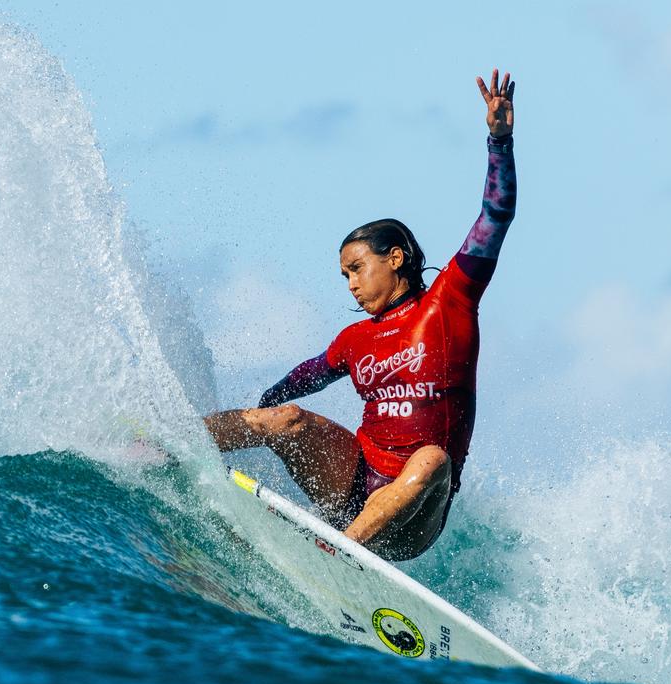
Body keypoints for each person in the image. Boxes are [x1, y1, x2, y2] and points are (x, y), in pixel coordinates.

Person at [205, 68, 517, 561]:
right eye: (343, 274)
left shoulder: (450, 302)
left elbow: (495, 218)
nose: (350, 282)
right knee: (285, 419)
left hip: (412, 516)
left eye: (356, 267)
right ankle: (176, 443)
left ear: (395, 257)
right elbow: (306, 378)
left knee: (432, 457)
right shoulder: (355, 338)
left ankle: (334, 556)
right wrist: (261, 418)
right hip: (352, 483)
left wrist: (499, 141)